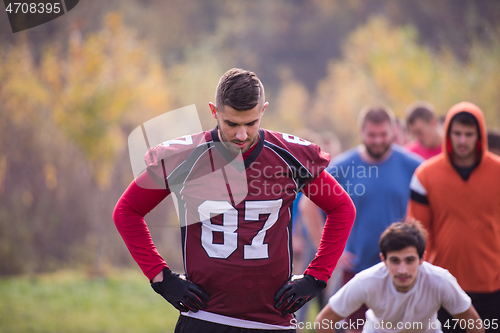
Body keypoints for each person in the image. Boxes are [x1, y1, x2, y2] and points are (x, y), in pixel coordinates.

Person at [113, 68, 356, 332]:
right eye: (231, 123)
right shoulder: (185, 156)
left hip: (272, 321)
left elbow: (342, 208)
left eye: (250, 123)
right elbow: (127, 211)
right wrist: (161, 278)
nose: (242, 134)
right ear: (214, 111)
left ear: (263, 110)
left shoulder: (288, 156)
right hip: (205, 317)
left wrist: (316, 277)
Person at [300, 105, 422, 331]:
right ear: (361, 132)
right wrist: (328, 251)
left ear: (392, 132)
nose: (377, 140)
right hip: (356, 271)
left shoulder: (412, 165)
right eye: (372, 135)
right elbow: (308, 206)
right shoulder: (343, 167)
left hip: (399, 269)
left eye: (383, 134)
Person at [408, 101, 500, 333]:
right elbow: (417, 233)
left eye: (469, 134)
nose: (462, 140)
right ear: (447, 133)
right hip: (443, 286)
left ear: (480, 135)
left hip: (492, 285)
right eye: (457, 133)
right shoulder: (426, 175)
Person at [314, 220, 484, 333]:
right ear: (384, 260)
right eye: (395, 261)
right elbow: (324, 320)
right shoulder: (367, 281)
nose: (403, 270)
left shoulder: (440, 280)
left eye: (410, 260)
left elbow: (473, 322)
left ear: (422, 259)